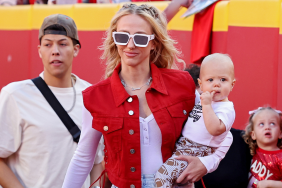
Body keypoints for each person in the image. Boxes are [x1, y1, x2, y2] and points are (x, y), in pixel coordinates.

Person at [62, 4, 233, 188]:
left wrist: (207, 164)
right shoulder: (97, 96)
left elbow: (224, 134)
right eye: (122, 36)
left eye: (141, 38)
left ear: (154, 43)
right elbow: (83, 157)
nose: (130, 44)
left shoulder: (181, 85)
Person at [0, 14, 103, 188]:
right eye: (48, 44)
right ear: (40, 50)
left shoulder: (93, 95)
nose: (55, 50)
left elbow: (97, 161)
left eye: (63, 44)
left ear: (76, 49)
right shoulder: (15, 95)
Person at [155, 53, 236, 187]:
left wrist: (206, 105)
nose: (216, 85)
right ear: (200, 83)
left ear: (232, 84)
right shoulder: (201, 100)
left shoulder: (226, 108)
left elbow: (216, 129)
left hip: (196, 149)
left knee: (163, 175)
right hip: (183, 145)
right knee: (177, 181)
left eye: (223, 80)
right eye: (210, 80)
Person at [242, 107, 282, 188]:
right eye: (261, 124)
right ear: (253, 135)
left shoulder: (280, 157)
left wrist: (269, 184)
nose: (267, 127)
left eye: (272, 123)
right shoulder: (250, 151)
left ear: (280, 134)